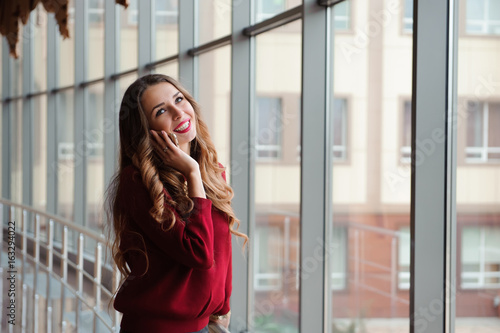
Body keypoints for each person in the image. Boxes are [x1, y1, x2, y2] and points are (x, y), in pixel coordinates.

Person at [106, 74, 247, 333]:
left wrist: (222, 307)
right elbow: (199, 253)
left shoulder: (211, 170)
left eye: (179, 99)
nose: (178, 112)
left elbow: (222, 247)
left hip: (203, 325)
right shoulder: (138, 181)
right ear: (146, 129)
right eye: (161, 110)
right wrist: (192, 174)